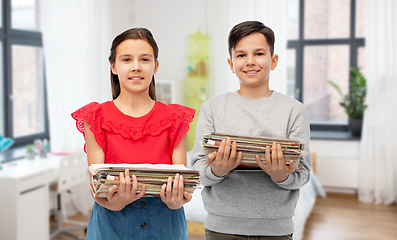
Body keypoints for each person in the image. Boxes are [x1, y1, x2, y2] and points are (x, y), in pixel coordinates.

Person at [191, 21, 311, 239]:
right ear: (230, 63)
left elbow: (304, 172)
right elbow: (198, 169)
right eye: (241, 55)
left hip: (277, 230)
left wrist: (282, 175)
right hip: (221, 228)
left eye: (259, 53)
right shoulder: (211, 108)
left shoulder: (295, 110)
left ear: (273, 61)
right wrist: (218, 170)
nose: (250, 62)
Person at [72, 28, 195, 240]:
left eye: (144, 60)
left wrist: (175, 200)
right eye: (127, 59)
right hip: (111, 225)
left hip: (165, 225)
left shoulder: (176, 118)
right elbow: (96, 187)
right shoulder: (95, 116)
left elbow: (181, 191)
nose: (136, 67)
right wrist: (116, 202)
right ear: (113, 66)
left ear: (155, 66)